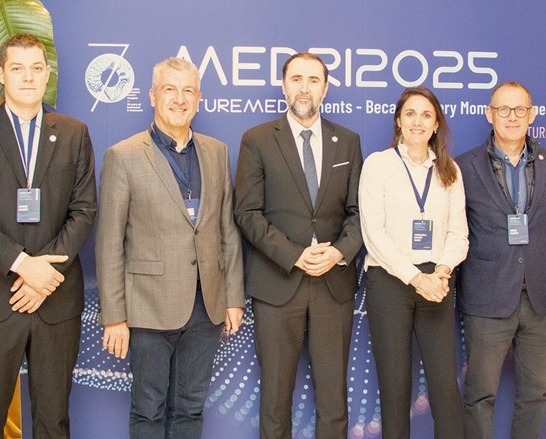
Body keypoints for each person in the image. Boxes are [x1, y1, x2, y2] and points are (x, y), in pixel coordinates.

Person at [0, 33, 97, 438]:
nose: (28, 77)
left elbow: (84, 211)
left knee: (53, 423)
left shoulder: (74, 133)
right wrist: (23, 265)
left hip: (55, 299)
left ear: (47, 73)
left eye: (36, 68)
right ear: (1, 74)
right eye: (17, 68)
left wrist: (44, 277)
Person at [96, 57, 245, 438]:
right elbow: (109, 242)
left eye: (188, 91)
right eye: (170, 90)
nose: (179, 99)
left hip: (206, 307)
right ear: (152, 96)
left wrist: (233, 298)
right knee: (148, 410)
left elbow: (226, 230)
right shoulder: (124, 155)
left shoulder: (217, 152)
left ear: (199, 99)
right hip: (147, 308)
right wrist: (114, 317)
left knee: (190, 409)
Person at [234, 52, 363, 439]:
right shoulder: (257, 139)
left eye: (313, 80)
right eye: (296, 79)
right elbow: (247, 213)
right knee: (275, 401)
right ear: (283, 85)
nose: (304, 88)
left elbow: (359, 213)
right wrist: (294, 255)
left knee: (334, 402)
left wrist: (339, 251)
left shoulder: (348, 141)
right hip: (277, 283)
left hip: (333, 284)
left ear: (325, 88)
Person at [359, 86, 468, 438]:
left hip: (437, 283)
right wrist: (415, 278)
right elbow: (373, 233)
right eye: (410, 114)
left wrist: (441, 271)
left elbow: (459, 234)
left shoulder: (450, 171)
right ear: (398, 121)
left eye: (425, 115)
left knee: (445, 388)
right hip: (390, 283)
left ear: (436, 124)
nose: (417, 122)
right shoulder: (378, 164)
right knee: (394, 389)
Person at [456, 82, 546, 439]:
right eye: (503, 109)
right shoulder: (463, 167)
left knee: (535, 395)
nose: (512, 117)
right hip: (487, 297)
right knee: (479, 396)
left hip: (540, 297)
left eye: (520, 110)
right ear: (490, 114)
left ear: (532, 115)